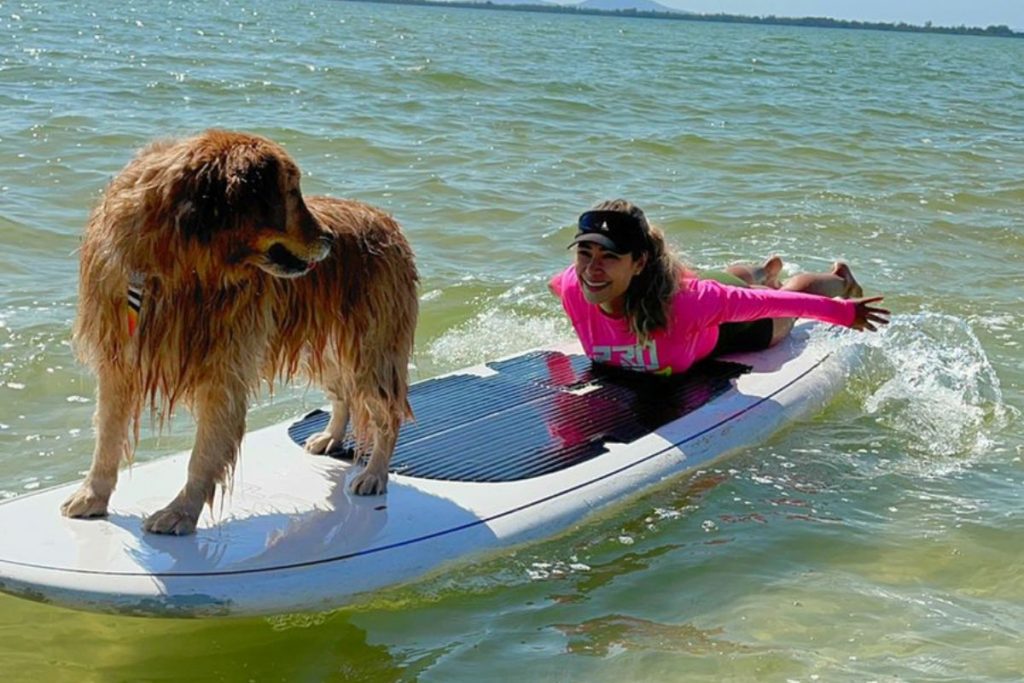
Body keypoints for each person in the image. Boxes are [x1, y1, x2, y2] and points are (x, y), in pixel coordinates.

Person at [548, 199, 889, 375]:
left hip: (732, 329)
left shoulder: (688, 303)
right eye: (584, 252)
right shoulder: (574, 286)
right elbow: (555, 284)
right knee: (727, 279)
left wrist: (845, 314)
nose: (592, 268)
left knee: (786, 295)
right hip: (708, 289)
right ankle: (763, 270)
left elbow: (782, 305)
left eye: (609, 256)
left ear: (639, 263)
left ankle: (841, 279)